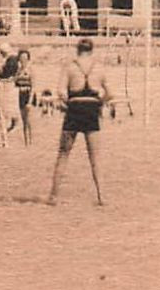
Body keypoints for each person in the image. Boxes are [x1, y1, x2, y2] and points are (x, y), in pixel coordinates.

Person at [48, 38, 110, 206]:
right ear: (92, 50)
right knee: (95, 157)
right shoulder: (99, 67)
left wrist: (67, 103)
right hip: (91, 110)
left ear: (77, 50)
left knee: (63, 154)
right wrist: (100, 102)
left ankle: (54, 196)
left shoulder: (69, 67)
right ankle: (101, 196)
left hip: (74, 109)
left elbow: (61, 92)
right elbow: (109, 93)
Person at [13, 48, 36, 146]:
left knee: (29, 119)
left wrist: (30, 101)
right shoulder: (18, 71)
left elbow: (33, 86)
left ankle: (31, 141)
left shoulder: (30, 70)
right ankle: (26, 141)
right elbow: (14, 82)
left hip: (28, 93)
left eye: (25, 58)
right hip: (21, 95)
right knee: (24, 120)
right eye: (21, 58)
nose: (23, 60)